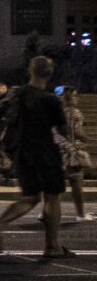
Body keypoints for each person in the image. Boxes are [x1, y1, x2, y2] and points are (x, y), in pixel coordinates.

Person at [0, 55, 72, 260]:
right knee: (52, 196)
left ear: (29, 71)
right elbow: (64, 131)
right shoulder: (51, 99)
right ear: (49, 74)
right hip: (46, 152)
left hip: (22, 153)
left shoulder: (16, 94)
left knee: (31, 196)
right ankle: (52, 246)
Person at [64, 90, 89, 222]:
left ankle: (46, 212)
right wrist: (85, 138)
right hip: (72, 152)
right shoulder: (75, 112)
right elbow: (78, 132)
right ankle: (80, 214)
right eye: (75, 95)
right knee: (76, 181)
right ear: (71, 97)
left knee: (54, 183)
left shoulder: (58, 111)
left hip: (58, 151)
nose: (77, 98)